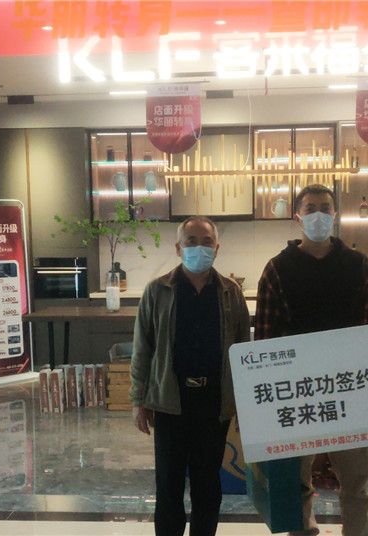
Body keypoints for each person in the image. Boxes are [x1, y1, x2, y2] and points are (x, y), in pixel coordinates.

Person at [254, 183, 368, 536]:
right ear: (297, 218)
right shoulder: (277, 269)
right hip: (297, 395)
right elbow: (265, 340)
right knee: (296, 485)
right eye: (310, 209)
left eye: (325, 208)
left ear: (335, 216)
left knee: (356, 486)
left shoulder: (357, 265)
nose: (318, 215)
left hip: (350, 392)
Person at [130, 216, 251, 536]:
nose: (199, 247)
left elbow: (243, 350)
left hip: (214, 402)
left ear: (217, 247)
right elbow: (142, 348)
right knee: (168, 485)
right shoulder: (157, 291)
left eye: (207, 241)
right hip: (170, 401)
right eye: (191, 241)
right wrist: (138, 400)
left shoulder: (231, 292)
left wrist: (243, 403)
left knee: (207, 485)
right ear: (178, 248)